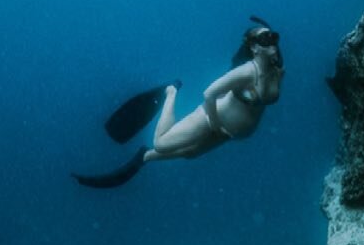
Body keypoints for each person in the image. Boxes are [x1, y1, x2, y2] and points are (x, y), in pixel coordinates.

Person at [72, 19, 283, 188]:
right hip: (213, 119)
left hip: (231, 131)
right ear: (254, 48)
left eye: (273, 37)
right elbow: (209, 93)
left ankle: (144, 157)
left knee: (191, 153)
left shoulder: (277, 72)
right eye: (265, 39)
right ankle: (170, 91)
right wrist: (216, 123)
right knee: (161, 144)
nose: (272, 42)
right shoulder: (245, 72)